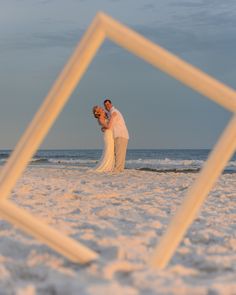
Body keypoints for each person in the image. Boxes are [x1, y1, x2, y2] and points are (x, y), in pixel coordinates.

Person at [102, 99, 129, 172]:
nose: (107, 106)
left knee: (119, 153)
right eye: (105, 105)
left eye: (108, 104)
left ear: (111, 104)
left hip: (120, 134)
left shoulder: (114, 112)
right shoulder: (111, 113)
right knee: (120, 153)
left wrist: (105, 128)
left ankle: (117, 169)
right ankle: (119, 169)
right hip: (120, 134)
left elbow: (110, 125)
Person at [92, 106, 114, 172]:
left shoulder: (105, 115)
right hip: (108, 134)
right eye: (99, 108)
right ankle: (108, 166)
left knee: (111, 149)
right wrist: (112, 118)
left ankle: (112, 165)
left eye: (100, 107)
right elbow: (108, 126)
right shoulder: (100, 118)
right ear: (98, 111)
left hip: (110, 133)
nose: (101, 108)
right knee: (109, 149)